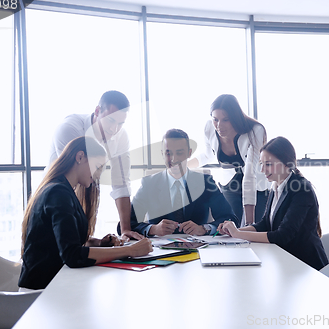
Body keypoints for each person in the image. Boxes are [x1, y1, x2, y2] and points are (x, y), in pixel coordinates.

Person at [20, 137, 152, 290]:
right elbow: (72, 255)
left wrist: (99, 243)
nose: (98, 175)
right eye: (98, 166)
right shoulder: (58, 192)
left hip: (53, 285)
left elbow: (65, 240)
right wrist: (130, 250)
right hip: (40, 293)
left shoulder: (64, 191)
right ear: (80, 157)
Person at [217, 136, 328, 271]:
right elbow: (265, 224)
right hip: (284, 259)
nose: (263, 170)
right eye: (261, 164)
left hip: (305, 264)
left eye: (268, 164)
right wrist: (234, 230)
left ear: (286, 163)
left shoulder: (300, 188)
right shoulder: (276, 186)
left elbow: (282, 236)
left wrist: (238, 234)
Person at [47, 90, 142, 240]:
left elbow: (121, 183)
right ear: (97, 111)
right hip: (56, 199)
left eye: (120, 123)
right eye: (110, 120)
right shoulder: (70, 129)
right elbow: (74, 181)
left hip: (86, 192)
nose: (114, 129)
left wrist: (126, 231)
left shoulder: (121, 136)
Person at [118, 129, 239, 237]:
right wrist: (153, 229)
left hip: (198, 250)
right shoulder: (149, 184)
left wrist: (203, 228)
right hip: (158, 252)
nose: (173, 159)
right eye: (168, 153)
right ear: (162, 154)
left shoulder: (205, 182)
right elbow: (124, 226)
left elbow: (230, 219)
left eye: (179, 153)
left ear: (189, 153)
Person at [189, 94, 270, 226]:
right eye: (215, 119)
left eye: (225, 120)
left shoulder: (255, 131)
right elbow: (207, 155)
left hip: (256, 186)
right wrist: (183, 166)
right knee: (230, 226)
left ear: (235, 117)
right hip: (230, 183)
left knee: (255, 228)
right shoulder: (209, 128)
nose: (219, 125)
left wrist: (249, 223)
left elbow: (250, 175)